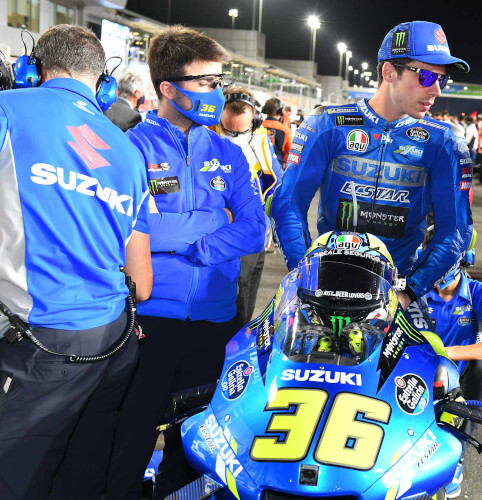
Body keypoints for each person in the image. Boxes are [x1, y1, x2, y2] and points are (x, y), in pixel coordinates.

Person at [106, 26, 267, 500]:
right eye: (204, 82)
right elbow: (126, 228)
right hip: (148, 323)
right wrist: (211, 224)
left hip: (217, 323)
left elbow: (255, 229)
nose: (216, 93)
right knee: (130, 439)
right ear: (167, 88)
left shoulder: (229, 153)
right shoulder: (130, 148)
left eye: (219, 82)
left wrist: (195, 245)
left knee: (200, 448)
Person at [0, 24, 152, 499]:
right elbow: (143, 282)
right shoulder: (128, 151)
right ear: (103, 84)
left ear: (31, 70)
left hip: (37, 344)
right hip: (112, 342)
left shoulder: (8, 109)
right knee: (81, 472)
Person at [270, 20, 473, 310]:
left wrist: (409, 292)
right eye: (427, 77)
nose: (437, 90)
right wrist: (304, 275)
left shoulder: (443, 141)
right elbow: (287, 203)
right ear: (390, 72)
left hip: (397, 295)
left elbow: (455, 230)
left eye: (442, 80)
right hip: (321, 288)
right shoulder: (328, 124)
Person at [425, 249, 482, 498]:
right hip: (424, 373)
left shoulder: (481, 292)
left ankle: (457, 454)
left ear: (462, 262)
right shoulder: (416, 289)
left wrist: (447, 352)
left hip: (461, 378)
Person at [210, 85, 285, 323]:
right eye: (229, 130)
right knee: (235, 301)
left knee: (248, 300)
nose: (235, 137)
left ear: (255, 120)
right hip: (226, 235)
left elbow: (277, 181)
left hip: (257, 233)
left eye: (241, 131)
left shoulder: (261, 138)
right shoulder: (205, 136)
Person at [262, 97, 292, 167]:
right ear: (280, 111)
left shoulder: (258, 127)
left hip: (260, 167)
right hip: (279, 167)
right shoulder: (285, 130)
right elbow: (290, 151)